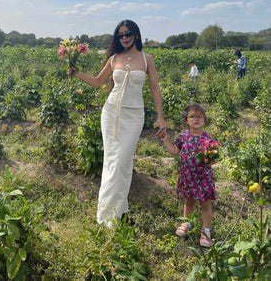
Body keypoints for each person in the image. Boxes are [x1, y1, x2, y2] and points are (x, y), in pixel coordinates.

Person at [68, 19, 167, 226]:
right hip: (111, 113)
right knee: (112, 162)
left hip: (134, 116)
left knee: (123, 161)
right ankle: (109, 216)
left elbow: (155, 88)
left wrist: (161, 117)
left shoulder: (147, 59)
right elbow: (97, 82)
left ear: (136, 35)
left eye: (128, 34)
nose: (124, 38)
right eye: (120, 35)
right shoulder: (114, 59)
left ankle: (118, 211)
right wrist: (77, 73)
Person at [157, 103, 216, 248]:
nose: (196, 119)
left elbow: (213, 160)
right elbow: (175, 151)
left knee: (205, 204)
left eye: (200, 116)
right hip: (188, 176)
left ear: (204, 120)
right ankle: (187, 222)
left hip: (203, 178)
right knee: (189, 201)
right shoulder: (183, 136)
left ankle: (206, 232)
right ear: (186, 120)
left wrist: (211, 160)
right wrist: (166, 140)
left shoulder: (207, 139)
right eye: (192, 116)